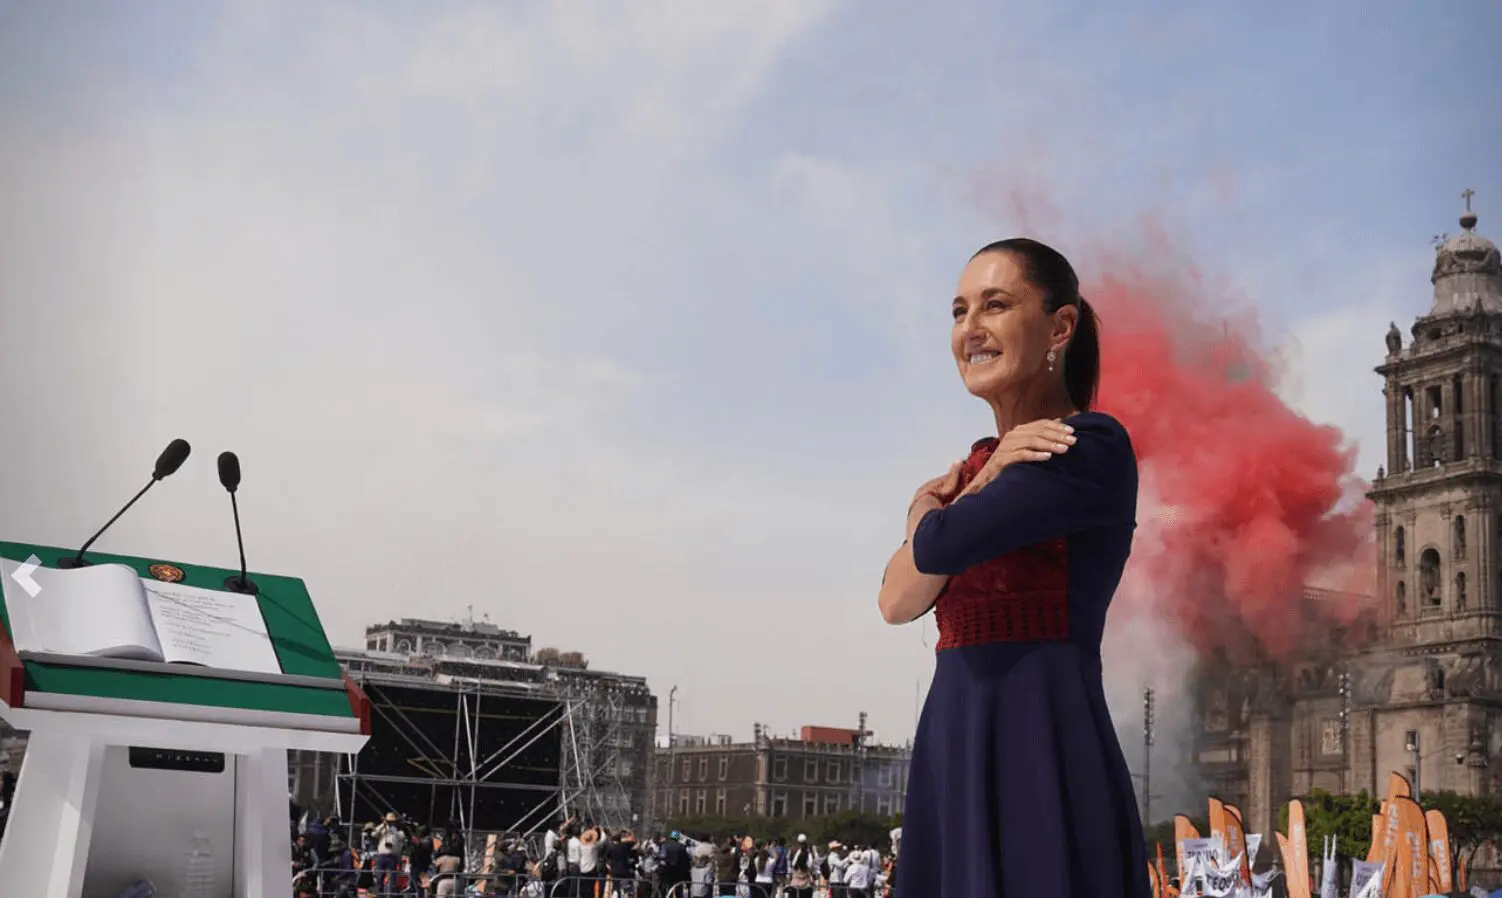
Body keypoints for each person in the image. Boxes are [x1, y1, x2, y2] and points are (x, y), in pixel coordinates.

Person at [878, 238, 1150, 897]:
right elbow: (895, 601)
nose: (970, 328)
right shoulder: (978, 467)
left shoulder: (1088, 445)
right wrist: (980, 480)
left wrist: (923, 505)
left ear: (1060, 326)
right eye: (958, 310)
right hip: (954, 736)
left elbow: (936, 549)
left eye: (995, 305)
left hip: (1040, 735)